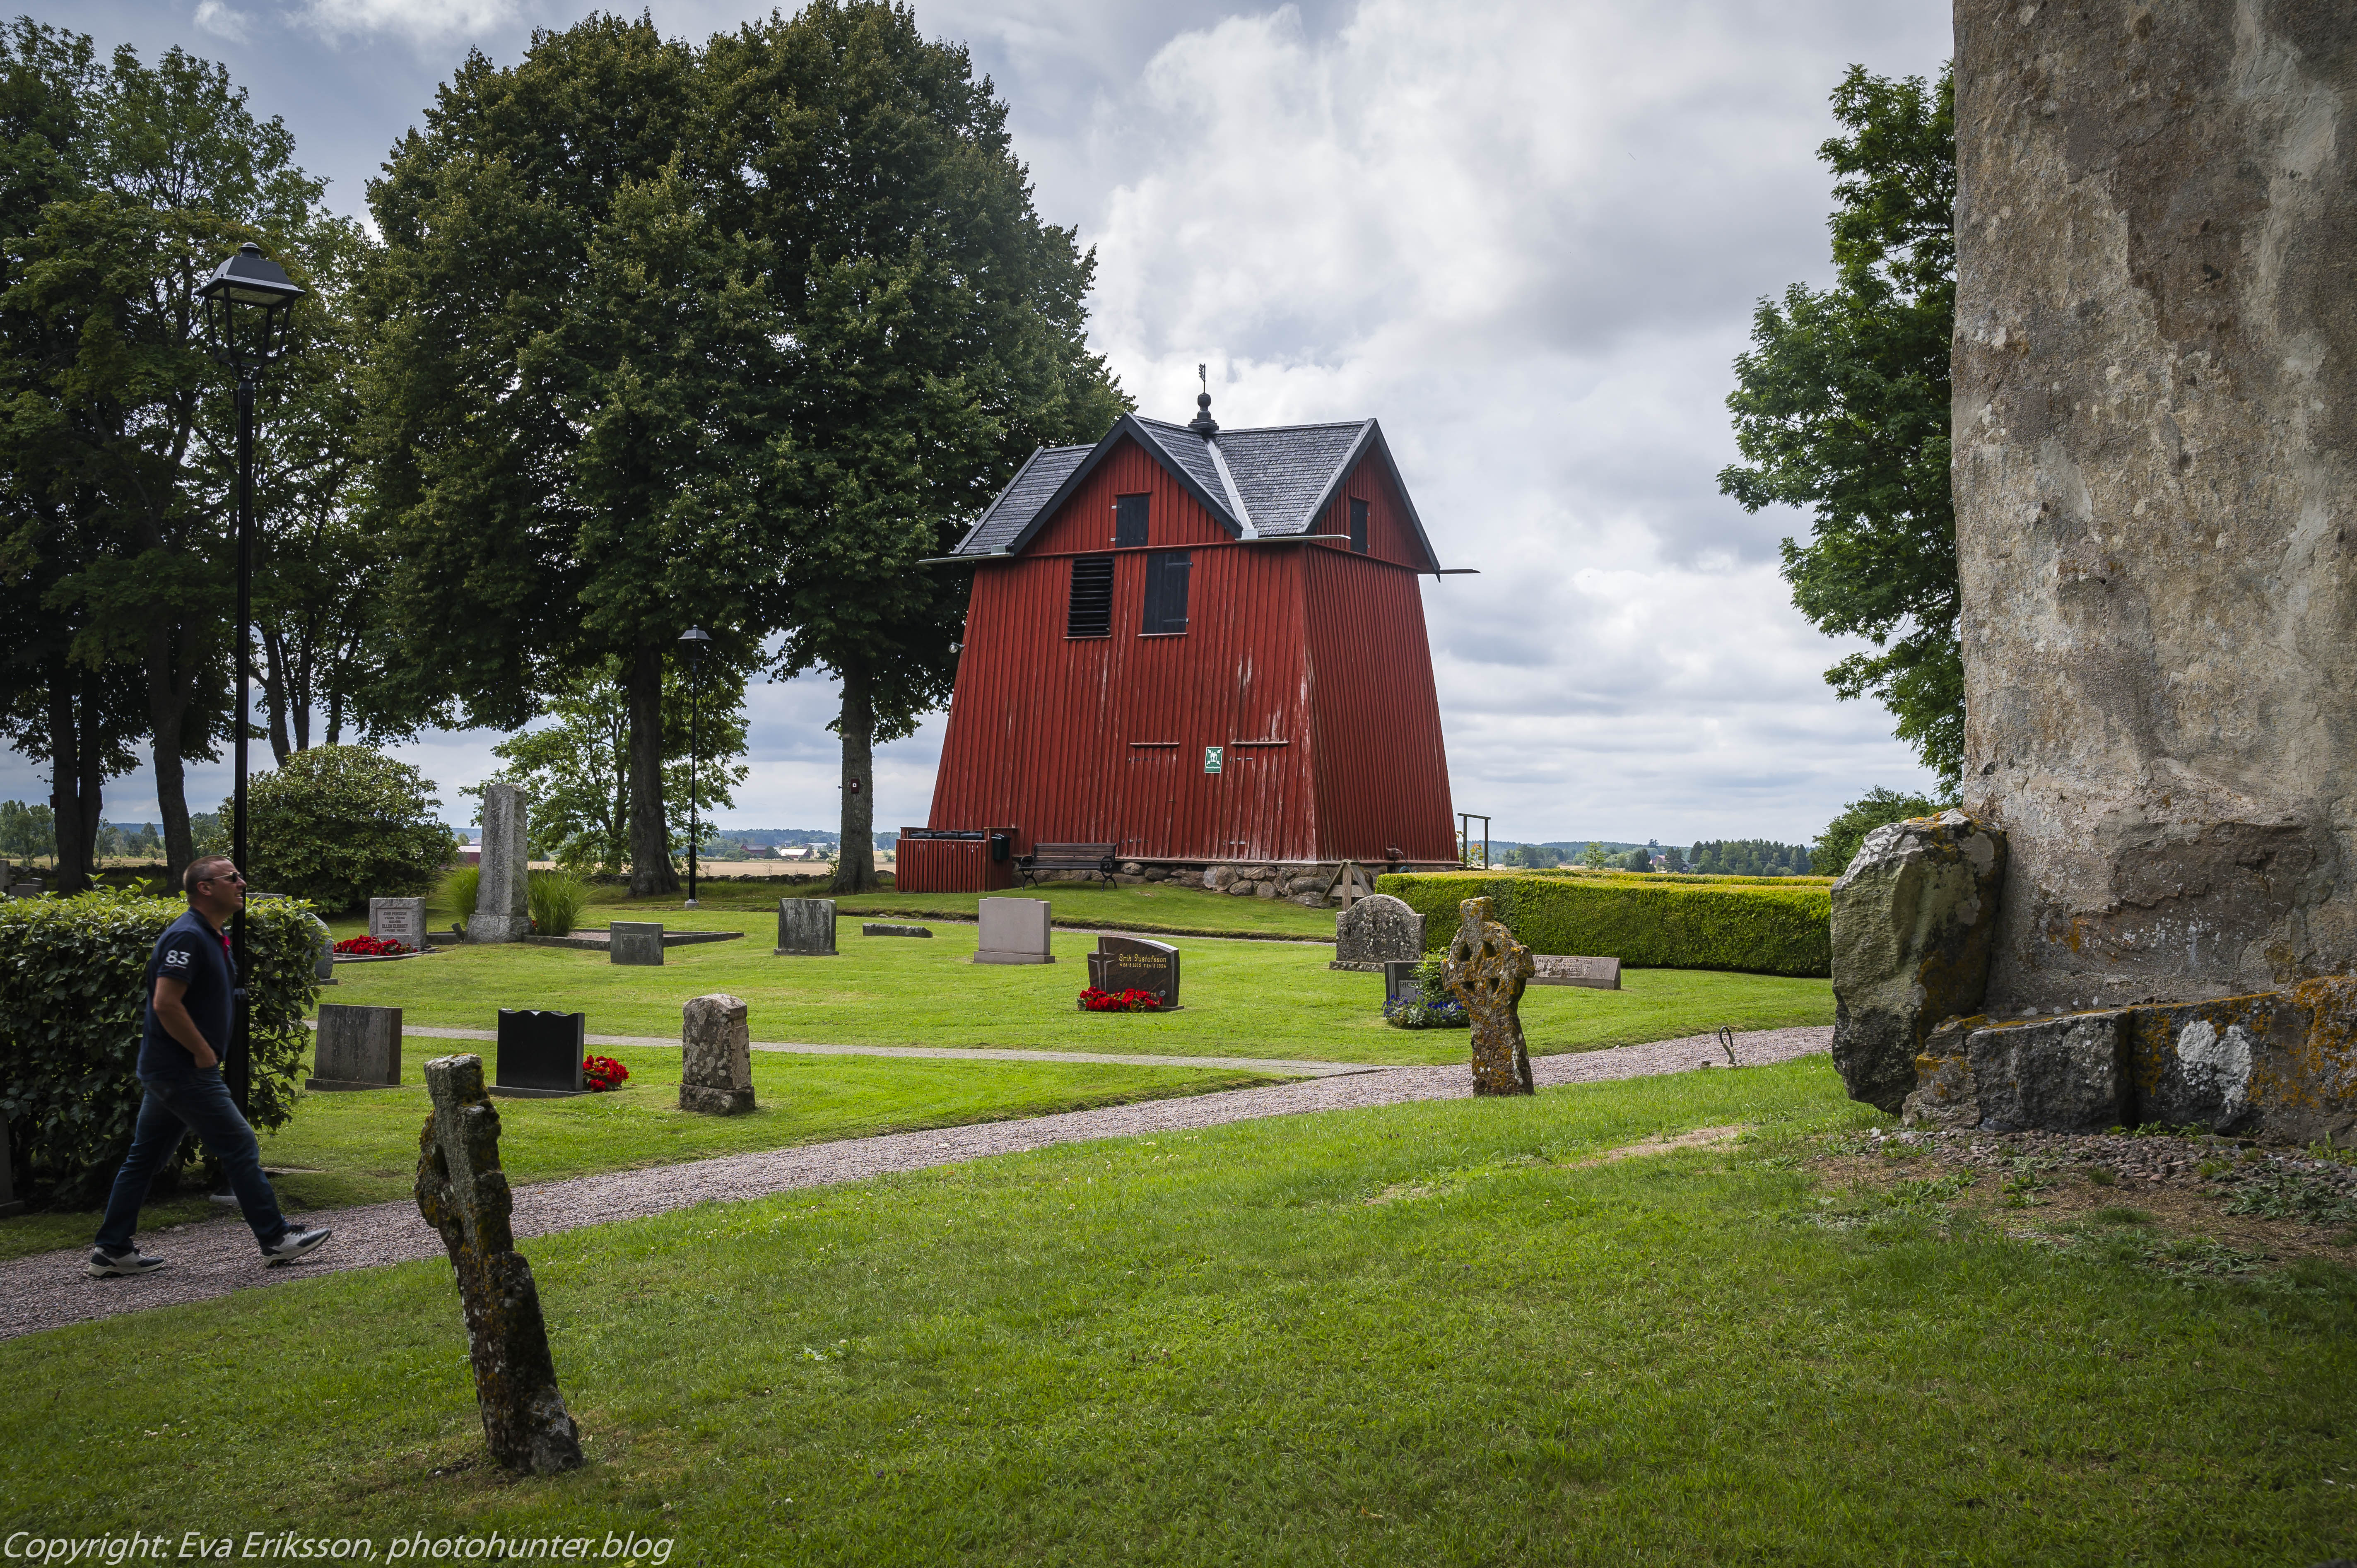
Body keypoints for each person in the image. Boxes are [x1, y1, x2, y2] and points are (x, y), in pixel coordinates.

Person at [88, 856, 332, 1278]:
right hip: (184, 1070)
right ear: (205, 887)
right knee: (239, 1145)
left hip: (169, 1071)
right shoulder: (187, 937)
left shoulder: (208, 935)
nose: (242, 882)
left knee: (144, 1159)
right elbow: (166, 1003)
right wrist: (203, 1052)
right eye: (232, 877)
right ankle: (276, 1239)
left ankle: (112, 1248)